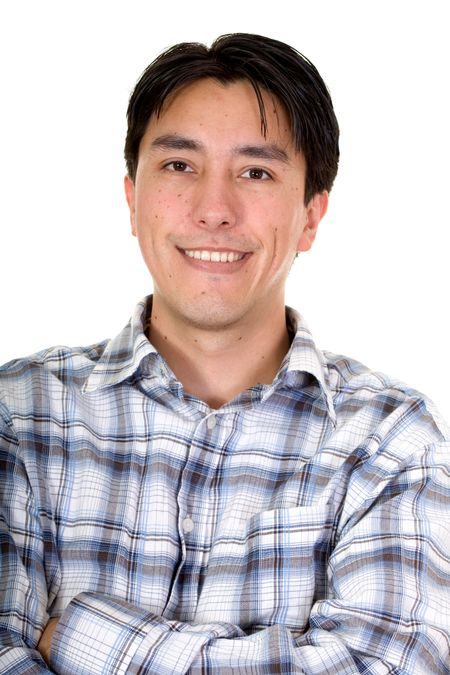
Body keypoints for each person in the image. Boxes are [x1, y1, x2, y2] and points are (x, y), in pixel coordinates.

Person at [0, 32, 449, 675]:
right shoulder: (17, 416)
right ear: (132, 198)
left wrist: (72, 637)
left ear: (311, 216)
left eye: (256, 172)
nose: (214, 209)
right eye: (180, 166)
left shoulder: (391, 444)